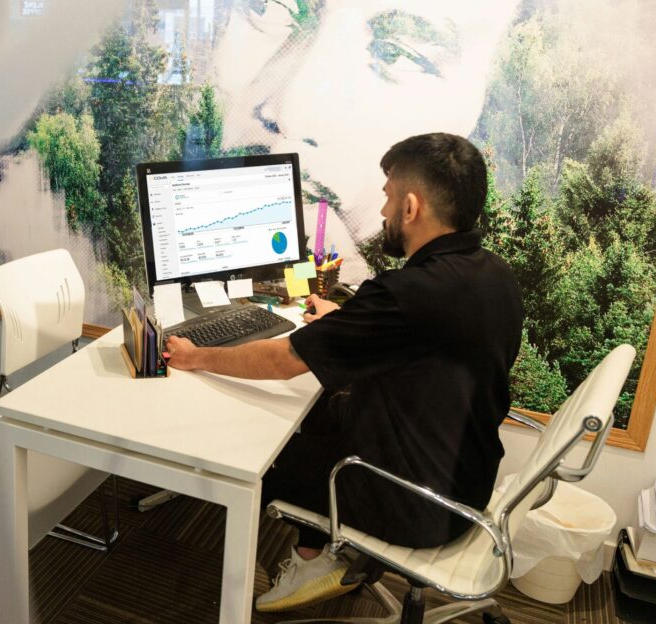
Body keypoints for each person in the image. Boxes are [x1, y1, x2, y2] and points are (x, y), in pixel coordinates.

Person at [164, 133, 524, 613]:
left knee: (267, 444)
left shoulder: (407, 293)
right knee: (325, 410)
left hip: (413, 505)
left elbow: (282, 361)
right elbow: (425, 347)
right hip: (465, 485)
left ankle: (314, 558)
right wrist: (346, 319)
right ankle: (318, 553)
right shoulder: (493, 275)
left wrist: (197, 356)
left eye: (388, 197)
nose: (383, 212)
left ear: (412, 208)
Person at [212, 0, 519, 284]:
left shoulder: (403, 297)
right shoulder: (497, 277)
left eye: (393, 53)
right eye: (271, 7)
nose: (292, 114)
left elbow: (301, 339)